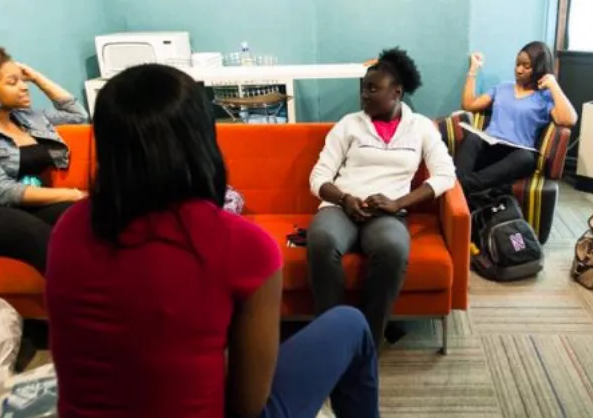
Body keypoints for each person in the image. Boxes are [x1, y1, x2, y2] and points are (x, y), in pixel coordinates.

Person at [46, 64, 380, 418]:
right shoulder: (244, 245)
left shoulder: (68, 227)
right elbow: (247, 406)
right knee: (351, 324)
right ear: (202, 139)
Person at [307, 48, 456, 347]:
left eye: (373, 89)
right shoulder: (349, 124)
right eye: (363, 89)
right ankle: (331, 338)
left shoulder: (421, 127)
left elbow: (445, 175)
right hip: (341, 207)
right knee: (321, 240)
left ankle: (366, 341)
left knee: (393, 248)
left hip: (387, 213)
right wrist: (344, 198)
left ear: (397, 92)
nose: (364, 95)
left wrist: (398, 203)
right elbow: (318, 177)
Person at [0, 46, 88, 274]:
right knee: (37, 234)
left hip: (28, 206)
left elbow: (78, 115)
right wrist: (74, 194)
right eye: (13, 82)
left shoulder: (27, 118)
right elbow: (1, 191)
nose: (24, 86)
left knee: (87, 216)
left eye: (23, 80)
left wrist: (37, 78)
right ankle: (76, 294)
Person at [456, 41, 577, 203]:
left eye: (526, 66)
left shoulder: (544, 97)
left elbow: (569, 119)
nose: (519, 70)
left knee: (526, 158)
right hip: (490, 147)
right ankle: (464, 188)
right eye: (517, 64)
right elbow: (469, 105)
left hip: (516, 155)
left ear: (539, 68)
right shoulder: (502, 88)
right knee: (472, 138)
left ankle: (458, 188)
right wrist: (473, 69)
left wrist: (553, 86)